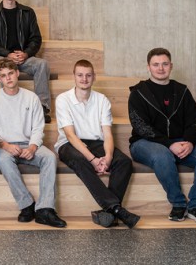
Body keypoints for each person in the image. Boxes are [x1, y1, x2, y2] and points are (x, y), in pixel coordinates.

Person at [128, 48, 196, 223]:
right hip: (144, 143)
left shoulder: (182, 91)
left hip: (180, 142)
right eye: (156, 64)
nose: (160, 68)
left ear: (171, 66)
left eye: (165, 64)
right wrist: (169, 144)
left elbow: (195, 121)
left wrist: (190, 142)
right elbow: (141, 127)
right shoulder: (138, 93)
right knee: (162, 155)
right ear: (148, 67)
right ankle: (178, 205)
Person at [56, 60, 140, 228]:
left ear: (93, 77)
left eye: (88, 75)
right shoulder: (63, 99)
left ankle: (109, 212)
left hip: (96, 142)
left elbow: (107, 134)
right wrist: (93, 160)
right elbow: (71, 136)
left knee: (123, 162)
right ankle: (117, 209)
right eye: (80, 75)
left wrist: (108, 157)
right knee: (80, 161)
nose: (84, 79)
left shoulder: (102, 100)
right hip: (69, 144)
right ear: (74, 77)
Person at [0, 58, 65, 228]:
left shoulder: (31, 98)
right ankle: (27, 205)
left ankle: (45, 209)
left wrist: (33, 146)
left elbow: (38, 127)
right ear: (0, 79)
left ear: (17, 73)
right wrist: (5, 145)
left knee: (49, 157)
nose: (8, 78)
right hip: (3, 146)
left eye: (11, 73)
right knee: (4, 160)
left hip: (28, 143)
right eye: (4, 75)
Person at [0, 0, 52, 122]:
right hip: (2, 58)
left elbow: (36, 38)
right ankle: (8, 108)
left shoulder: (28, 12)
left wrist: (26, 54)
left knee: (42, 64)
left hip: (23, 58)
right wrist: (8, 54)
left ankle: (42, 107)